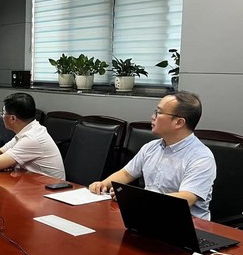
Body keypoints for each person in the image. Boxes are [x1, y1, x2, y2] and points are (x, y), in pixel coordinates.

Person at [88, 91, 215, 220]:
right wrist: (103, 184)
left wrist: (137, 198)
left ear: (179, 122)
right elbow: (126, 173)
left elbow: (186, 199)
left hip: (188, 223)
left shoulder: (201, 157)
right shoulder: (151, 147)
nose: (153, 117)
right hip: (149, 215)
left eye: (158, 112)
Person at [0, 93, 66, 179]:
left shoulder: (32, 138)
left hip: (50, 186)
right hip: (32, 181)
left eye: (3, 113)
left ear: (13, 118)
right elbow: (1, 152)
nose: (2, 116)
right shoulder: (27, 130)